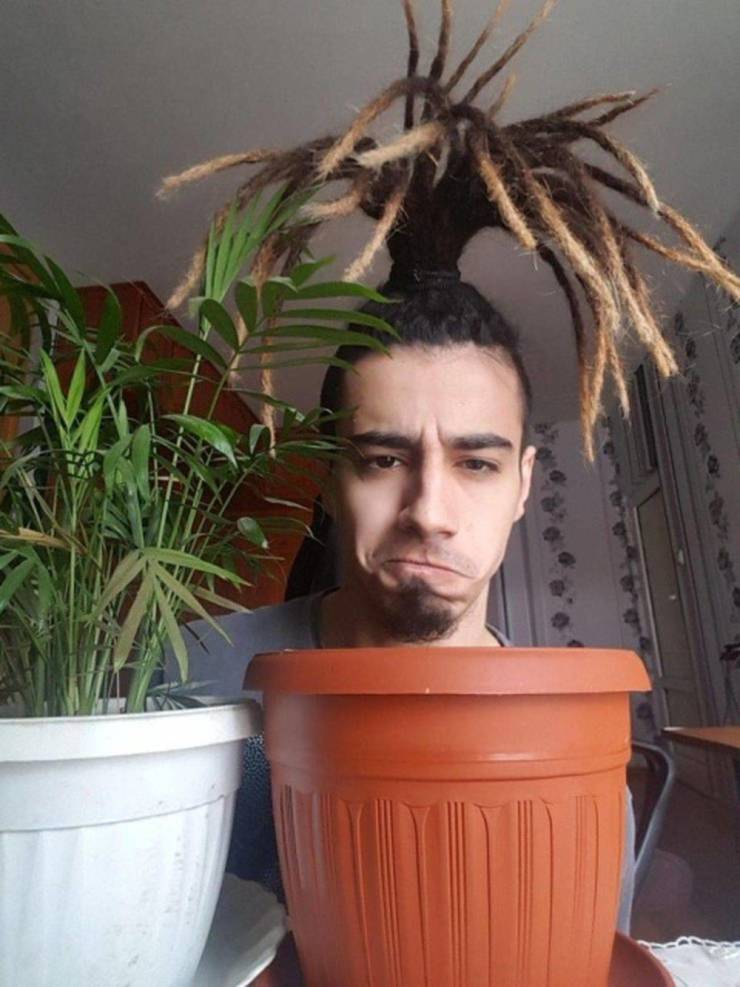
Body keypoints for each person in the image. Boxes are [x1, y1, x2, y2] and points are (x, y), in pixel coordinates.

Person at [179, 270, 635, 933]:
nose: (429, 513)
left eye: (476, 464)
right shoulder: (187, 671)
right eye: (384, 460)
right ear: (327, 476)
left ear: (522, 485)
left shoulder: (576, 753)